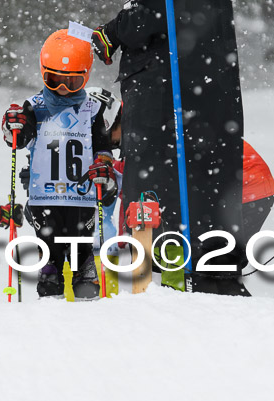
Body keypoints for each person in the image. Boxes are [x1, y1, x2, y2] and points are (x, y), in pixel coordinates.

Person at [92, 0, 247, 296]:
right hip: (206, 94)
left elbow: (149, 15)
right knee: (207, 185)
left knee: (155, 196)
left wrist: (113, 32)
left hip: (167, 100)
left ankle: (165, 279)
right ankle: (212, 270)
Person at [1, 29, 117, 300]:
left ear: (85, 77)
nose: (63, 89)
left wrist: (103, 167)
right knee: (50, 259)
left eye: (72, 81)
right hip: (45, 199)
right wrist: (12, 126)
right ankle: (49, 309)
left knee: (82, 257)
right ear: (44, 74)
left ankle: (88, 305)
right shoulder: (35, 106)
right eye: (54, 80)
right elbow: (18, 139)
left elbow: (103, 148)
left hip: (81, 200)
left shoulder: (93, 109)